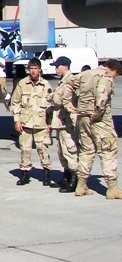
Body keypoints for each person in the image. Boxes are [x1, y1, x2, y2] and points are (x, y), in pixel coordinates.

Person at [61, 59, 122, 199]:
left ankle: (81, 185)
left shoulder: (86, 74)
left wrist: (68, 103)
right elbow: (102, 94)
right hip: (99, 121)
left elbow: (68, 83)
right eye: (116, 75)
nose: (114, 77)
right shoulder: (105, 76)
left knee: (86, 151)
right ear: (113, 70)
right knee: (108, 150)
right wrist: (98, 111)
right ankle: (112, 188)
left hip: (83, 118)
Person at [10, 57, 53, 185]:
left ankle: (46, 174)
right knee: (25, 149)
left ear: (40, 69)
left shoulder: (45, 85)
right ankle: (24, 174)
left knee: (43, 149)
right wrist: (17, 120)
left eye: (35, 68)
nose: (33, 71)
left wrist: (50, 123)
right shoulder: (22, 84)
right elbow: (15, 102)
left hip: (41, 123)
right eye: (31, 69)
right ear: (28, 70)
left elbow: (51, 105)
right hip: (26, 122)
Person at [47, 56, 80, 192]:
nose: (55, 68)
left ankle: (75, 179)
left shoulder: (70, 81)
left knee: (70, 149)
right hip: (60, 122)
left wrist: (51, 97)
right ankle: (66, 177)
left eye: (58, 66)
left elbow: (58, 100)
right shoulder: (62, 82)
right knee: (62, 151)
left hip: (67, 122)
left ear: (65, 66)